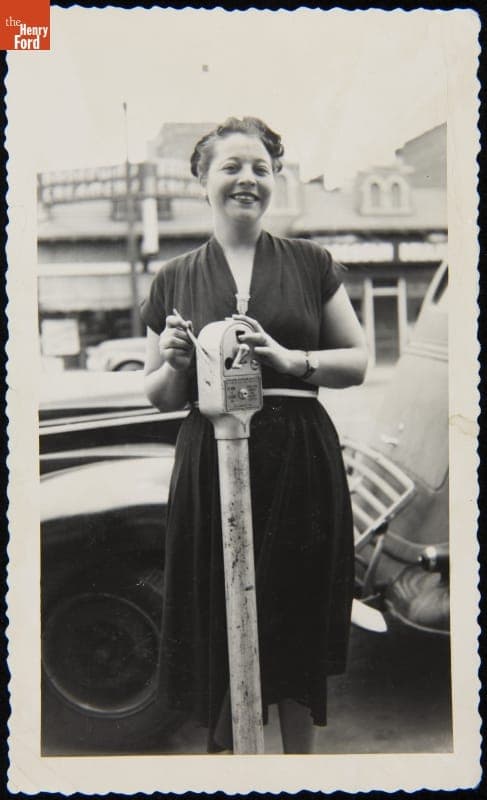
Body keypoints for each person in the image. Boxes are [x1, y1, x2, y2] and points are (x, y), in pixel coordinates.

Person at [140, 117, 368, 754]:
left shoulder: (312, 264)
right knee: (219, 612)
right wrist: (176, 362)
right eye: (231, 167)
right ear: (202, 181)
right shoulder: (173, 278)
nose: (248, 179)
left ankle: (297, 765)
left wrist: (292, 358)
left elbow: (357, 361)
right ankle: (233, 759)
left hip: (298, 456)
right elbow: (157, 392)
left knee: (292, 617)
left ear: (275, 181)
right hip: (210, 457)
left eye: (261, 169)